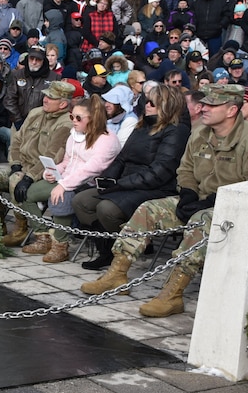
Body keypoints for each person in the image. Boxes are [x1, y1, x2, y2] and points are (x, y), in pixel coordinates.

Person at [82, 84, 248, 317]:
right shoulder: (200, 134)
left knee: (200, 219)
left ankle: (173, 293)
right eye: (204, 103)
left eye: (211, 105)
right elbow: (186, 169)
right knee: (149, 209)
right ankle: (117, 273)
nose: (203, 108)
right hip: (199, 198)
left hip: (238, 209)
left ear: (231, 110)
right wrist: (187, 192)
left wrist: (212, 202)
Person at [73, 84, 190, 270]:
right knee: (81, 201)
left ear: (167, 105)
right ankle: (108, 247)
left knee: (106, 209)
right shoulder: (143, 124)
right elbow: (122, 157)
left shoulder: (176, 130)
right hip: (126, 182)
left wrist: (120, 184)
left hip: (154, 188)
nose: (147, 105)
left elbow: (160, 171)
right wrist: (107, 180)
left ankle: (131, 244)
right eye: (147, 101)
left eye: (153, 102)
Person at [24, 94, 120, 263]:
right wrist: (54, 171)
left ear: (92, 119)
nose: (73, 120)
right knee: (29, 192)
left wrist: (63, 184)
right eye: (71, 116)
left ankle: (61, 245)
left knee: (61, 196)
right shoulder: (75, 135)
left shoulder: (107, 140)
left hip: (91, 185)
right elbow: (68, 161)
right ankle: (43, 235)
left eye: (78, 117)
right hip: (67, 178)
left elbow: (91, 169)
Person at [0, 81, 75, 246]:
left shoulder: (65, 124)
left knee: (16, 181)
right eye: (46, 95)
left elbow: (52, 157)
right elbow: (17, 141)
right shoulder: (35, 112)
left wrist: (30, 177)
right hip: (22, 165)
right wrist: (16, 163)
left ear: (62, 104)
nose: (45, 99)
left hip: (42, 173)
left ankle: (21, 228)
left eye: (51, 97)